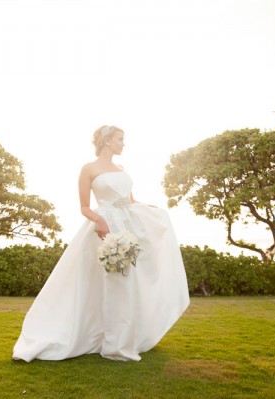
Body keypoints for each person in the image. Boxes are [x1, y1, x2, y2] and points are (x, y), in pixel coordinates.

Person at [12, 125, 190, 362]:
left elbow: (131, 200)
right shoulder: (88, 169)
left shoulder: (121, 168)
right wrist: (99, 220)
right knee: (102, 283)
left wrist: (149, 208)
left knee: (127, 283)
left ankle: (121, 338)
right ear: (107, 141)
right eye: (120, 139)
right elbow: (84, 207)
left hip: (128, 226)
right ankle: (99, 337)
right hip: (103, 228)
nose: (123, 143)